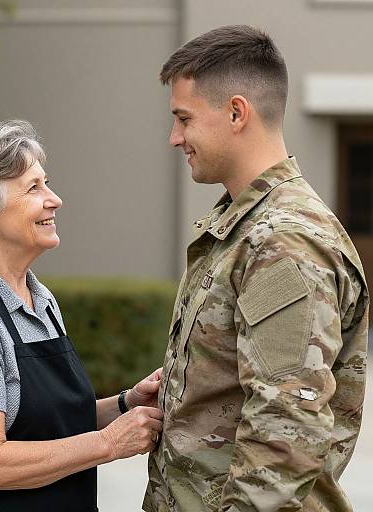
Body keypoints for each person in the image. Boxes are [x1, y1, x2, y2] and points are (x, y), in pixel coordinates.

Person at [144, 25, 369, 512]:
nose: (174, 137)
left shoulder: (282, 241)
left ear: (236, 112)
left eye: (184, 118)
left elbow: (285, 428)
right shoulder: (244, 228)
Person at [0, 120, 163, 512]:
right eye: (33, 188)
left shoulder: (39, 299)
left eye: (47, 182)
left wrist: (125, 404)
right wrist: (110, 443)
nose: (54, 199)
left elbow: (45, 425)